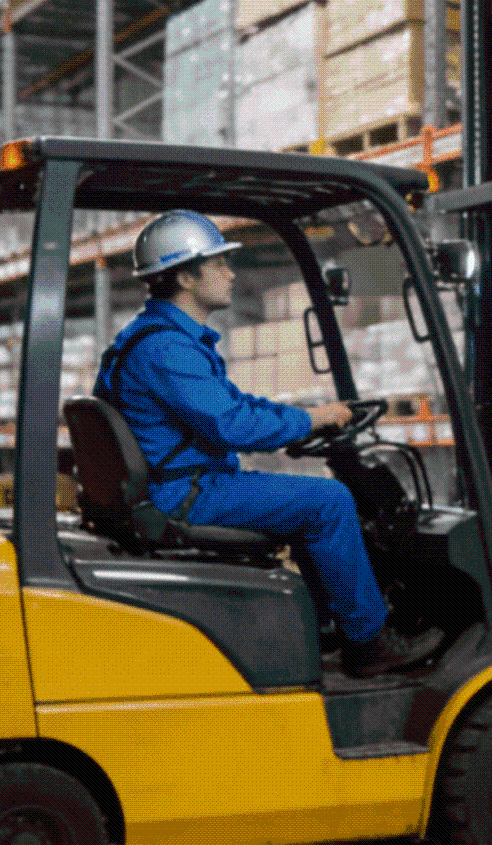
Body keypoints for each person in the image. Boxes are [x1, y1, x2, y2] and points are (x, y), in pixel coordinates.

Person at [97, 209, 443, 678]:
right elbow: (231, 425)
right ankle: (368, 642)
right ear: (185, 277)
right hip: (184, 494)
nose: (231, 273)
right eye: (219, 264)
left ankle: (326, 628)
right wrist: (311, 419)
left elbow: (233, 405)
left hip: (180, 485)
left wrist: (304, 417)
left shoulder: (161, 338)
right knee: (329, 501)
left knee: (304, 504)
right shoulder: (166, 348)